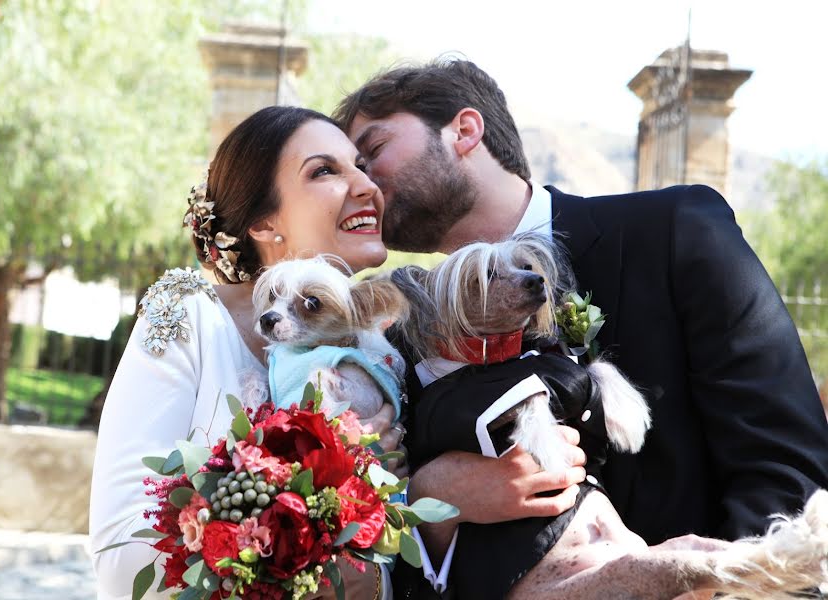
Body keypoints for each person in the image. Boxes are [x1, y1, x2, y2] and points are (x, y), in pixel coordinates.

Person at [333, 59, 828, 597]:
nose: (361, 183)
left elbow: (787, 470)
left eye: (372, 152)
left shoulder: (673, 232)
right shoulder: (397, 341)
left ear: (465, 131)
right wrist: (430, 502)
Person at [89, 106, 400, 600]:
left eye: (361, 165)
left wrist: (372, 582)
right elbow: (121, 555)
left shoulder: (385, 351)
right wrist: (291, 509)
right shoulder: (189, 316)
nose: (366, 185)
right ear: (262, 223)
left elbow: (398, 560)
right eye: (325, 170)